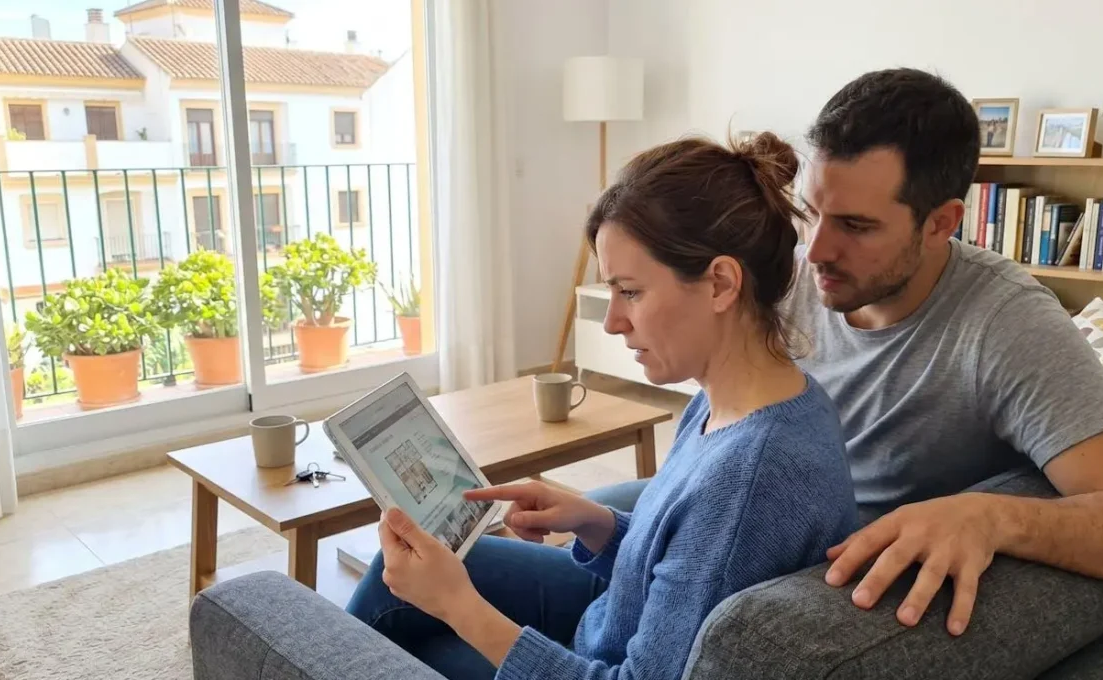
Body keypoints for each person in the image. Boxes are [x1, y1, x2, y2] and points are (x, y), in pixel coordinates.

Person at [588, 68, 1103, 638]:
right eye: (813, 213)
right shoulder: (801, 272)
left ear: (941, 223)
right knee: (573, 522)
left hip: (798, 576)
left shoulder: (1007, 327)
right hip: (750, 513)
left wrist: (992, 517)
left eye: (857, 227)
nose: (818, 251)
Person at [344, 132, 859, 679]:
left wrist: (458, 607)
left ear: (721, 283)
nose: (612, 321)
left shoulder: (750, 478)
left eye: (630, 292)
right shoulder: (757, 397)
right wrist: (596, 523)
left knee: (404, 635)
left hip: (602, 663)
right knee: (393, 575)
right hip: (609, 621)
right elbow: (687, 573)